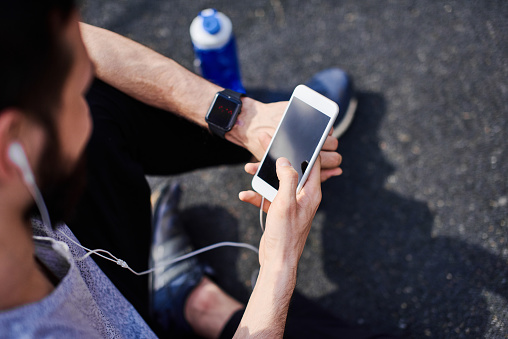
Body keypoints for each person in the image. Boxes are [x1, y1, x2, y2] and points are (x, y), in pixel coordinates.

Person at [0, 1, 393, 338]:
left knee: (103, 97)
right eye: (69, 84)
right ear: (12, 148)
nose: (83, 76)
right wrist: (280, 264)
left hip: (80, 264)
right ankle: (199, 307)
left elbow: (77, 43)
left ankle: (186, 300)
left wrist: (244, 118)